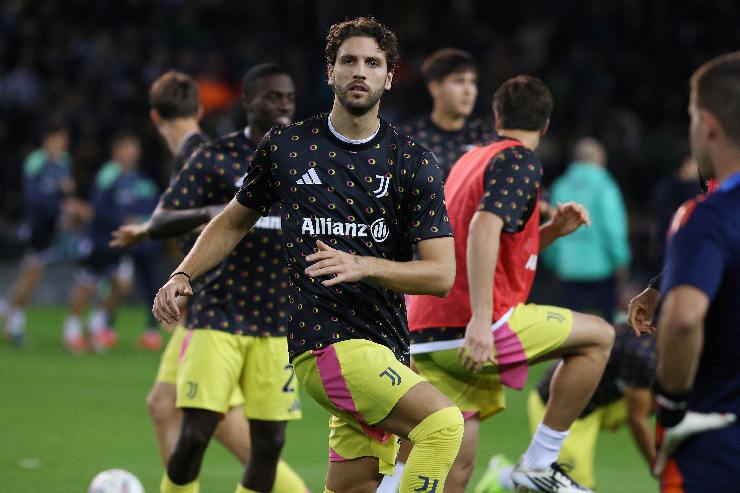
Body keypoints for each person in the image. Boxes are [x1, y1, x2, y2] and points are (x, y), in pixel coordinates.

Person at [153, 16, 464, 493]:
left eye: (372, 63)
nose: (360, 71)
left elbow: (441, 274)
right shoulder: (288, 147)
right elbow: (234, 220)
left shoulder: (412, 161)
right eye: (349, 61)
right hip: (322, 345)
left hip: (385, 350)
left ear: (389, 76)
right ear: (330, 72)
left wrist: (364, 265)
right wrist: (183, 273)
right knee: (443, 425)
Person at [407, 75, 614, 492]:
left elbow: (482, 237)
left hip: (424, 327)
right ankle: (539, 462)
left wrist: (550, 231)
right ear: (546, 126)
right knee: (599, 336)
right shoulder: (520, 160)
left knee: (452, 467)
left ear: (497, 116)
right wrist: (481, 321)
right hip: (472, 325)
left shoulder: (471, 160)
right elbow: (484, 227)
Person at [111, 66, 308, 492]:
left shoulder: (306, 162)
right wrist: (218, 215)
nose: (284, 106)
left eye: (289, 98)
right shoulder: (213, 156)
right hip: (217, 313)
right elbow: (169, 215)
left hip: (278, 323)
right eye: (274, 97)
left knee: (268, 442)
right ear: (248, 102)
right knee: (195, 428)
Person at [652, 51, 740, 492]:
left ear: (707, 123)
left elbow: (684, 319)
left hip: (717, 443)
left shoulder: (706, 216)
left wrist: (670, 406)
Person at [476, 323, 656, 492]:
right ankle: (502, 476)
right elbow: (637, 419)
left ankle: (508, 474)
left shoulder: (654, 344)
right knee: (571, 486)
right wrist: (657, 466)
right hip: (561, 405)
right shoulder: (643, 354)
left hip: (600, 403)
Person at [62, 132, 160, 353]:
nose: (132, 152)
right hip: (98, 241)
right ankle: (72, 330)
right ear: (117, 151)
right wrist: (123, 220)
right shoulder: (109, 174)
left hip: (119, 243)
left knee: (123, 284)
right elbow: (98, 210)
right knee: (86, 285)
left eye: (134, 147)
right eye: (127, 147)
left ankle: (98, 324)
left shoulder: (136, 177)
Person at [2, 121, 86, 346]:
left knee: (31, 278)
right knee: (29, 278)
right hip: (35, 228)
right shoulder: (36, 161)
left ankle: (11, 321)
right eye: (59, 138)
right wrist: (61, 207)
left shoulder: (64, 162)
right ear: (48, 139)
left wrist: (68, 210)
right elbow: (33, 198)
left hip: (51, 229)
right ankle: (12, 324)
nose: (63, 143)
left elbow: (66, 194)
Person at [544, 137, 631, 322]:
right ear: (600, 159)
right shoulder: (605, 186)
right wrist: (621, 260)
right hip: (603, 269)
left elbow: (551, 227)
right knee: (605, 325)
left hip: (567, 268)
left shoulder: (559, 186)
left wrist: (553, 262)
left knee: (571, 325)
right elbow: (613, 228)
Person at [400, 48, 492, 177]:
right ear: (434, 87)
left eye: (472, 82)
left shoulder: (486, 137)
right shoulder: (408, 139)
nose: (468, 90)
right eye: (459, 81)